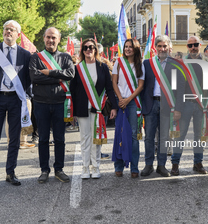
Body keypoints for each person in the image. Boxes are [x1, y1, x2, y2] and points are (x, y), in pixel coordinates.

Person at [0, 20, 31, 192]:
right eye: (6, 29)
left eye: (12, 30)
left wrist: (20, 91)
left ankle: (10, 172)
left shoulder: (25, 54)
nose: (8, 32)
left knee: (14, 139)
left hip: (15, 100)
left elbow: (28, 78)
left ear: (18, 33)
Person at [29, 27, 75, 183]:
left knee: (60, 139)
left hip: (59, 103)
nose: (51, 40)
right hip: (40, 103)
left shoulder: (65, 57)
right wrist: (58, 76)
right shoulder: (36, 58)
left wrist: (48, 73)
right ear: (44, 38)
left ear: (58, 39)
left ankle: (59, 169)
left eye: (54, 37)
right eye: (48, 37)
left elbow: (70, 74)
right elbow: (35, 78)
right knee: (42, 139)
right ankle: (44, 170)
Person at [70, 38, 117, 179]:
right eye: (85, 48)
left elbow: (109, 88)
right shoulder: (77, 68)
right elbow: (73, 91)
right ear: (82, 51)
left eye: (91, 47)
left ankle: (96, 167)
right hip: (83, 109)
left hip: (98, 109)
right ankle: (85, 168)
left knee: (97, 139)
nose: (88, 50)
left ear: (95, 49)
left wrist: (114, 107)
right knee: (84, 139)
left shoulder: (102, 67)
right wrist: (72, 113)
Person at [170, 37, 208, 175]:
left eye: (195, 44)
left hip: (201, 105)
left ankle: (198, 162)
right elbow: (175, 87)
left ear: (200, 45)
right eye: (190, 45)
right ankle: (175, 163)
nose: (193, 47)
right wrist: (176, 108)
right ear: (187, 47)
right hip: (184, 105)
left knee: (199, 136)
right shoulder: (181, 63)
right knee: (180, 135)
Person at [140, 35, 184, 177]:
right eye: (159, 46)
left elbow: (180, 88)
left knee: (164, 137)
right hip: (151, 104)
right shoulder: (147, 63)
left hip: (168, 105)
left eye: (165, 46)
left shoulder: (176, 64)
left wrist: (178, 108)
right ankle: (148, 165)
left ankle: (161, 165)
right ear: (155, 47)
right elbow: (142, 85)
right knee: (149, 137)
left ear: (168, 48)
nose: (162, 49)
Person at [112, 38, 144, 178]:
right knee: (119, 133)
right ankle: (118, 166)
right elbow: (114, 82)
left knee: (133, 136)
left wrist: (128, 100)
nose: (128, 49)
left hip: (133, 103)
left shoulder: (140, 65)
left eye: (130, 47)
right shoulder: (118, 63)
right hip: (120, 101)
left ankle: (134, 168)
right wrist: (120, 99)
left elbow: (141, 86)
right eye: (126, 46)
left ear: (135, 48)